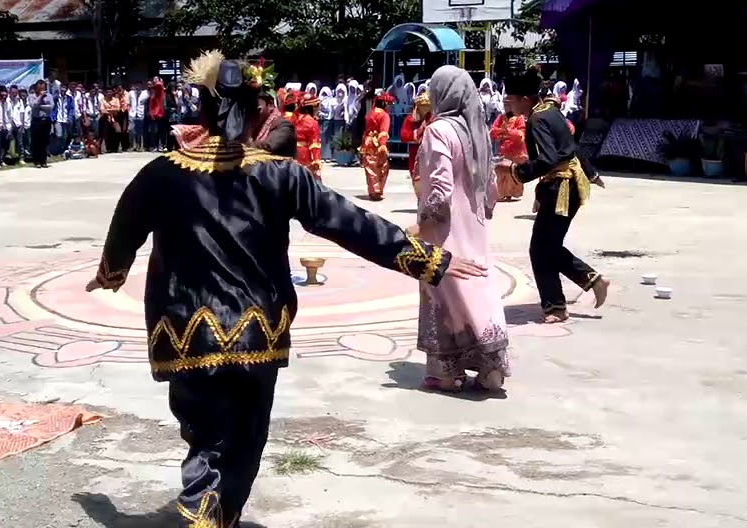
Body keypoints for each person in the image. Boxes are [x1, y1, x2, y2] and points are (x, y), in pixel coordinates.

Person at [90, 49, 487, 528]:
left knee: (204, 439)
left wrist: (110, 273)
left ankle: (205, 505)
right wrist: (430, 260)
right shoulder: (281, 173)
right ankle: (214, 511)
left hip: (186, 332)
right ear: (257, 111)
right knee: (245, 438)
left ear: (202, 109)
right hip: (257, 333)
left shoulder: (161, 174)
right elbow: (350, 222)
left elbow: (124, 230)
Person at [415, 66, 508, 392]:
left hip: (445, 229)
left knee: (445, 294)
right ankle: (490, 368)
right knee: (476, 288)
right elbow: (492, 188)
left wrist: (424, 223)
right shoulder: (476, 129)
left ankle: (446, 373)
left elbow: (440, 188)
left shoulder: (438, 130)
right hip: (475, 226)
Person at [502, 72, 611, 323]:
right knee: (547, 247)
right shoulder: (550, 111)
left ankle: (561, 303)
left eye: (511, 99)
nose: (508, 103)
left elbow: (549, 158)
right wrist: (591, 174)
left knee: (541, 249)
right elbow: (571, 147)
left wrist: (515, 171)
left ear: (525, 99)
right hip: (566, 184)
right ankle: (575, 293)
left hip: (561, 187)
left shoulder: (537, 119)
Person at [489, 106, 527, 202]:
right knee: (502, 172)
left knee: (513, 172)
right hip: (504, 149)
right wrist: (502, 131)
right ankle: (503, 193)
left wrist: (508, 132)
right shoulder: (501, 117)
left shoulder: (519, 118)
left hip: (516, 150)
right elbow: (493, 131)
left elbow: (521, 133)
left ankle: (511, 193)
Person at [361, 90, 393, 200]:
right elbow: (384, 131)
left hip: (368, 142)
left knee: (370, 167)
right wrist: (383, 144)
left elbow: (366, 130)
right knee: (381, 167)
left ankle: (372, 190)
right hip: (378, 143)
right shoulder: (384, 115)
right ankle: (377, 190)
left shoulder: (370, 113)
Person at [400, 93, 433, 197]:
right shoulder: (410, 119)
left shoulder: (433, 119)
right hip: (415, 155)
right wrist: (418, 133)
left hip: (431, 155)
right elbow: (404, 136)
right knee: (418, 183)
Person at [294, 92, 323, 181]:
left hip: (292, 152)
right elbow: (314, 144)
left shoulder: (294, 118)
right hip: (304, 154)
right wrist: (316, 162)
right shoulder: (312, 122)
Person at [28, 80, 53, 168]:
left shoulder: (49, 96)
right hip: (36, 120)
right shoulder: (32, 96)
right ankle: (37, 161)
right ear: (36, 87)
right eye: (40, 88)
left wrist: (40, 106)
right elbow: (33, 105)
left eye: (43, 87)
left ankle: (43, 160)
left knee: (45, 141)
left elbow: (51, 107)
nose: (42, 89)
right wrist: (40, 97)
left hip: (46, 120)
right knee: (36, 141)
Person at [147, 77, 168, 152]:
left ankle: (162, 145)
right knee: (154, 131)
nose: (154, 80)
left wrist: (160, 82)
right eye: (154, 79)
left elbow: (159, 84)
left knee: (162, 130)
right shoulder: (153, 92)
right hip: (154, 113)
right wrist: (151, 113)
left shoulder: (159, 88)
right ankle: (155, 146)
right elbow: (151, 105)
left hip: (160, 113)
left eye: (156, 79)